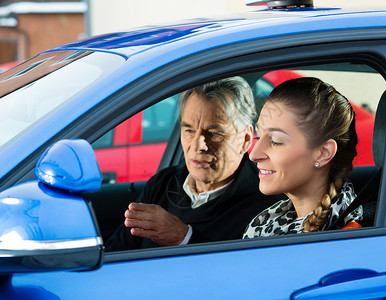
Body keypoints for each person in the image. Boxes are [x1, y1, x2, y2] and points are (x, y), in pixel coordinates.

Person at [106, 77, 282, 250]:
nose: (198, 146)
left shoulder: (269, 204)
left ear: (245, 139)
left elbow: (245, 273)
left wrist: (184, 238)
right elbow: (115, 252)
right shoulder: (163, 184)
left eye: (214, 133)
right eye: (189, 130)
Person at [243, 77, 362, 238]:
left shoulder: (345, 238)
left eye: (276, 141)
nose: (254, 154)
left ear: (323, 153)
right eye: (259, 136)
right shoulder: (268, 222)